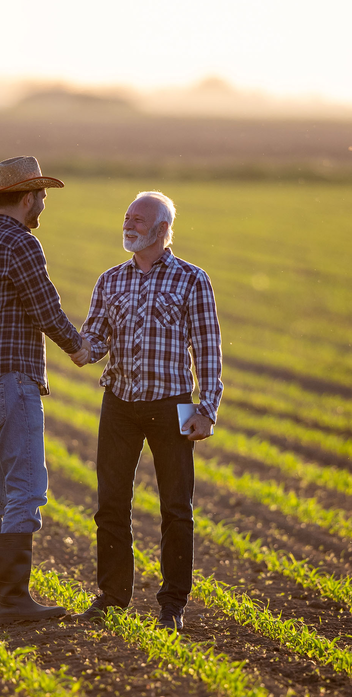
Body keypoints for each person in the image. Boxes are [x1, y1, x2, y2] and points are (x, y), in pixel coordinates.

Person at [70, 191, 223, 632]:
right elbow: (94, 340)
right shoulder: (110, 281)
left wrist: (206, 409)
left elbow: (207, 350)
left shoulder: (192, 280)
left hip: (171, 406)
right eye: (127, 217)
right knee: (111, 504)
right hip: (118, 403)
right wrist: (75, 345)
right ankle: (112, 597)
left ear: (161, 230)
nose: (129, 224)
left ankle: (172, 604)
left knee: (177, 507)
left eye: (138, 220)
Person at [0, 155, 90, 626]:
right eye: (43, 198)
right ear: (28, 197)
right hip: (11, 381)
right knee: (26, 490)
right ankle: (12, 601)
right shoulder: (21, 245)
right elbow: (46, 310)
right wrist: (80, 349)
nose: (43, 207)